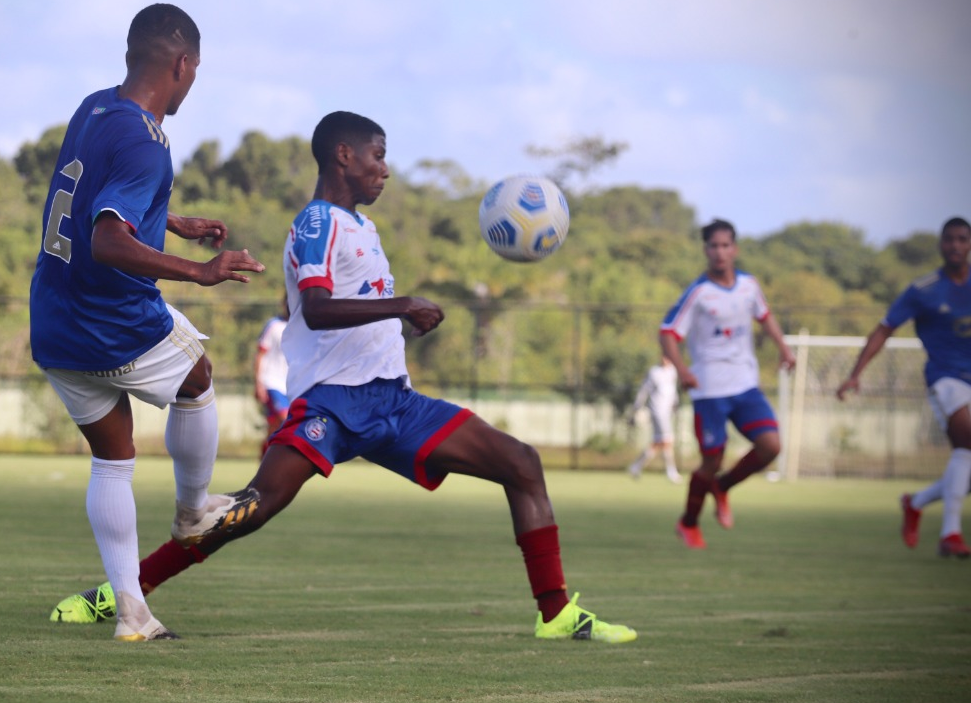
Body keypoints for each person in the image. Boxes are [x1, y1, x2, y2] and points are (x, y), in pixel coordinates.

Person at [54, 111, 637, 643]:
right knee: (245, 511)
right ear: (343, 157)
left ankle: (556, 612)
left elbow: (360, 313)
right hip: (331, 408)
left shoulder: (362, 226)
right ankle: (121, 591)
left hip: (395, 405)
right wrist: (403, 304)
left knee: (522, 463)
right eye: (376, 156)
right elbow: (319, 308)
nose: (384, 169)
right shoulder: (316, 223)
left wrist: (400, 316)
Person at [30, 3, 264, 641]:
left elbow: (97, 205)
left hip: (53, 320)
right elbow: (108, 240)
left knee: (113, 458)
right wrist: (200, 268)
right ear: (183, 64)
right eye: (196, 71)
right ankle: (192, 513)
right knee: (197, 375)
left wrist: (171, 219)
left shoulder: (95, 108)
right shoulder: (147, 141)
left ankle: (132, 614)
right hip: (109, 318)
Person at [836, 217, 971, 559]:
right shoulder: (924, 290)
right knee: (965, 443)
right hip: (946, 378)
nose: (956, 246)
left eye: (962, 239)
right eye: (949, 239)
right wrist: (855, 373)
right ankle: (951, 533)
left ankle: (915, 502)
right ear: (941, 244)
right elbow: (883, 329)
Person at [660, 219, 796, 549]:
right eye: (713, 246)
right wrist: (682, 370)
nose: (720, 252)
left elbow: (765, 316)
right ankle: (688, 522)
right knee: (712, 460)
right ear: (705, 250)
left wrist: (783, 348)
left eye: (725, 245)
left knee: (771, 447)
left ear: (734, 249)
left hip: (745, 385)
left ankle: (723, 488)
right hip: (708, 391)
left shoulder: (749, 286)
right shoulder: (699, 293)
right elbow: (667, 333)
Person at [626, 356, 683, 483]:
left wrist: (675, 404)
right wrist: (636, 408)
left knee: (659, 443)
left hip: (667, 412)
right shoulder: (654, 372)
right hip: (657, 411)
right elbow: (643, 391)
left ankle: (636, 467)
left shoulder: (673, 371)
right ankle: (671, 472)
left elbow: (673, 391)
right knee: (667, 440)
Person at [253, 297, 290, 456]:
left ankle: (265, 463)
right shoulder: (274, 325)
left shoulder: (301, 326)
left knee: (274, 429)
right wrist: (258, 383)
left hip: (290, 386)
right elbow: (260, 354)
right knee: (286, 419)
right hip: (271, 383)